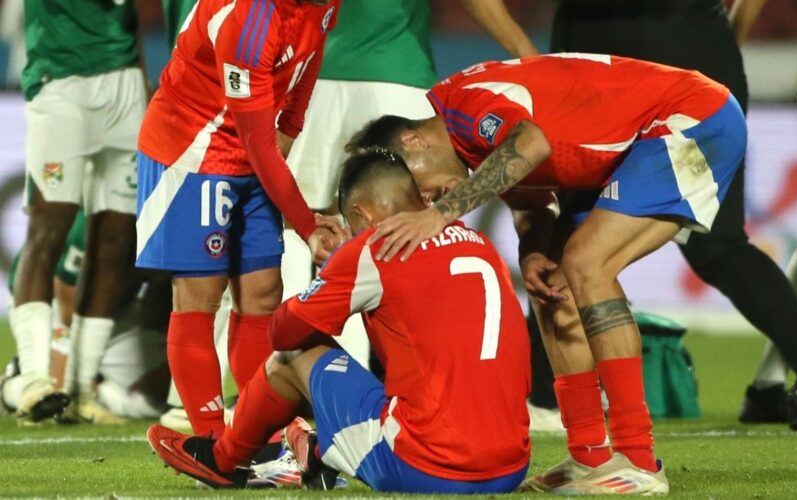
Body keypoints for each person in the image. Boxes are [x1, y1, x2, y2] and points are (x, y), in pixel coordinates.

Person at [348, 54, 749, 494]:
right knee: (551, 285)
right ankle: (588, 455)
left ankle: (638, 459)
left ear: (414, 140)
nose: (425, 198)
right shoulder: (471, 146)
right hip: (637, 142)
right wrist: (533, 252)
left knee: (584, 263)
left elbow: (532, 144)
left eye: (417, 187)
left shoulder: (465, 105)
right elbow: (530, 202)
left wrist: (442, 213)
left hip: (690, 118)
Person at [146, 149, 532, 493]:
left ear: (362, 214)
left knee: (293, 354)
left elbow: (282, 332)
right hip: (511, 466)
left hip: (428, 468)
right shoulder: (479, 244)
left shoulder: (372, 248)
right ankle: (315, 451)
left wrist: (334, 269)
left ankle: (223, 460)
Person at [549, 0, 797, 428]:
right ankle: (552, 399)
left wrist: (522, 46)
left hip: (591, 55)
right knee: (717, 245)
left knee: (570, 232)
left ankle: (546, 400)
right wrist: (723, 34)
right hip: (691, 44)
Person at [281, 0, 539, 370]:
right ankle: (431, 367)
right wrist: (526, 56)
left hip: (317, 69)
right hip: (394, 72)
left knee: (302, 221)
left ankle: (291, 368)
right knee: (417, 225)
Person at [135, 0, 346, 439]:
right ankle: (212, 443)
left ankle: (260, 437)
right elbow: (256, 145)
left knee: (264, 294)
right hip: (193, 149)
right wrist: (307, 227)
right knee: (201, 295)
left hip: (252, 151)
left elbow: (311, 53)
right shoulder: (249, 18)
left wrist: (292, 124)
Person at [10, 0, 148, 424]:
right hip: (61, 78)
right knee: (48, 226)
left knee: (116, 237)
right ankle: (34, 378)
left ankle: (81, 387)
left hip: (124, 79)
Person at [1, 211, 170, 422]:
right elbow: (69, 309)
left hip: (119, 307)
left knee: (161, 400)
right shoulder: (93, 222)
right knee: (60, 395)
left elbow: (154, 313)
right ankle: (10, 389)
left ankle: (96, 394)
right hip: (53, 302)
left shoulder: (168, 221)